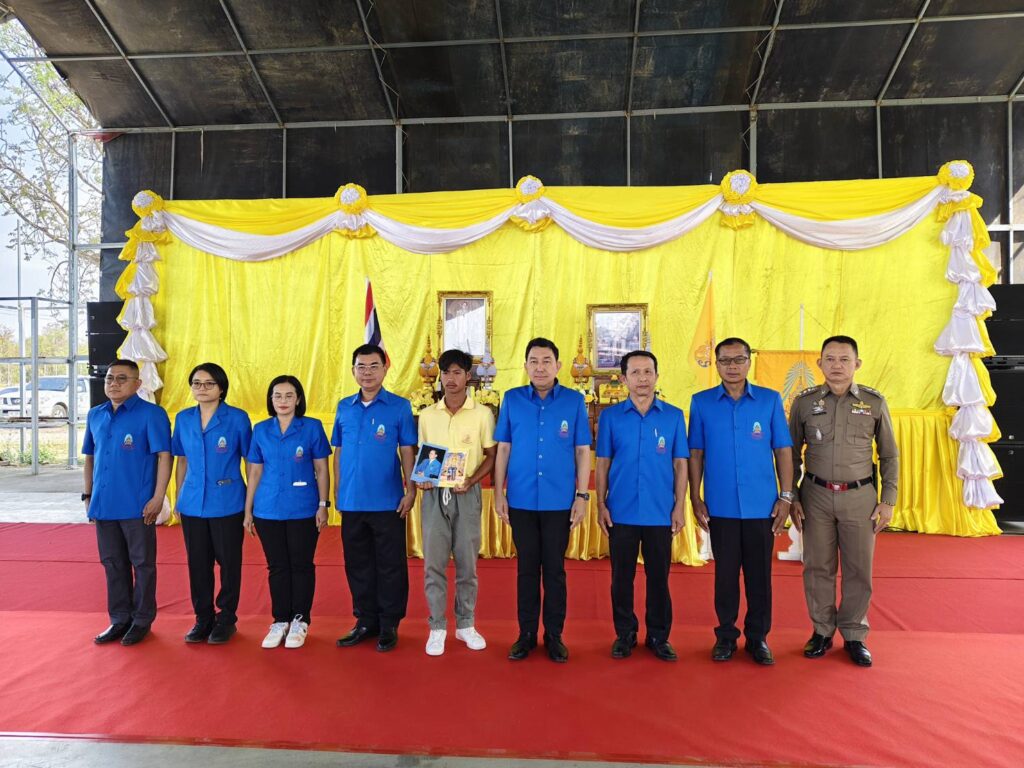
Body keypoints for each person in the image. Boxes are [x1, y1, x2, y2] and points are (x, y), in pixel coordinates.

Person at [789, 335, 899, 667]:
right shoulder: (804, 403)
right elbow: (791, 455)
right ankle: (822, 631)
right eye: (830, 359)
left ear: (857, 364)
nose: (837, 365)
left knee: (858, 569)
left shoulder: (874, 402)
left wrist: (888, 499)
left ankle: (853, 634)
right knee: (818, 567)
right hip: (816, 496)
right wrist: (792, 495)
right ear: (819, 363)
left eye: (844, 359)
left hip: (860, 497)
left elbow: (889, 455)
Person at [688, 338, 794, 666]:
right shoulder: (702, 403)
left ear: (749, 362)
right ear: (716, 364)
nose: (732, 366)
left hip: (762, 505)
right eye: (725, 361)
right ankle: (726, 635)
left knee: (759, 576)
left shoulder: (769, 400)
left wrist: (786, 496)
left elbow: (783, 451)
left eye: (739, 360)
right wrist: (695, 496)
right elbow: (696, 453)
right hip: (720, 506)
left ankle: (758, 637)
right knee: (725, 576)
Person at [493, 337, 591, 663]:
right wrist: (498, 492)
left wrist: (582, 496)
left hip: (559, 501)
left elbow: (582, 451)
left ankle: (554, 636)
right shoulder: (512, 399)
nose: (540, 367)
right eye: (533, 361)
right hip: (520, 499)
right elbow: (503, 448)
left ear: (558, 366)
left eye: (546, 361)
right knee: (526, 570)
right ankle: (525, 635)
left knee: (554, 571)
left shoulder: (574, 401)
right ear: (525, 366)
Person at [596, 351, 688, 662]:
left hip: (660, 511)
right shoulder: (610, 417)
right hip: (620, 511)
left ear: (657, 376)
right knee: (621, 578)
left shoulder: (673, 416)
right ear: (624, 379)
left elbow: (680, 464)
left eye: (648, 372)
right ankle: (625, 634)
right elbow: (603, 462)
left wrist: (679, 506)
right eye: (635, 373)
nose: (642, 379)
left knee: (659, 578)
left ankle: (659, 636)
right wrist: (600, 504)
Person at [333, 344, 417, 653]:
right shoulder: (344, 407)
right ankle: (365, 620)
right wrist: (337, 491)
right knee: (357, 563)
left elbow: (407, 451)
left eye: (373, 366)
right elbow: (339, 451)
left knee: (390, 564)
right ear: (353, 370)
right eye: (361, 367)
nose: (367, 372)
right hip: (352, 501)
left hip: (387, 501)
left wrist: (411, 489)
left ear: (385, 369)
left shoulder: (399, 407)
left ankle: (389, 623)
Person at [82, 359, 171, 646]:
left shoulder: (152, 414)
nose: (114, 383)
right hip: (103, 504)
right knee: (112, 563)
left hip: (137, 504)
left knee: (142, 564)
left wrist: (158, 497)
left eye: (122, 378)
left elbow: (164, 456)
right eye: (110, 378)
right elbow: (90, 458)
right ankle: (119, 618)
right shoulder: (95, 415)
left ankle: (142, 619)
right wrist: (87, 495)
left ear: (137, 384)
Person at [415, 349, 496, 656]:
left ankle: (465, 624)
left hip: (466, 494)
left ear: (468, 376)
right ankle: (437, 627)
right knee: (433, 564)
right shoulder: (427, 415)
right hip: (434, 495)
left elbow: (491, 455)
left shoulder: (482, 414)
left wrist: (471, 480)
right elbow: (424, 457)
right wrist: (422, 479)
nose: (451, 379)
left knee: (467, 564)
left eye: (457, 372)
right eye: (446, 372)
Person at [244, 375, 330, 649]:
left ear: (298, 399)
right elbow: (254, 472)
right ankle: (280, 619)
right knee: (277, 566)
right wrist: (248, 510)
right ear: (270, 400)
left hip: (303, 508)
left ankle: (300, 619)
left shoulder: (312, 427)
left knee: (301, 565)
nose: (283, 401)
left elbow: (321, 469)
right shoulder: (261, 430)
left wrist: (323, 505)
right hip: (267, 508)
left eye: (289, 395)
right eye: (277, 396)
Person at [171, 363, 252, 645]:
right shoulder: (183, 418)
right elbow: (181, 460)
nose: (202, 388)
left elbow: (250, 462)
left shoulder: (237, 418)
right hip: (193, 502)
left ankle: (226, 618)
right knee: (198, 563)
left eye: (209, 384)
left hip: (228, 502)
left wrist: (250, 504)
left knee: (229, 563)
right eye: (196, 383)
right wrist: (179, 497)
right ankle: (203, 618)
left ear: (221, 388)